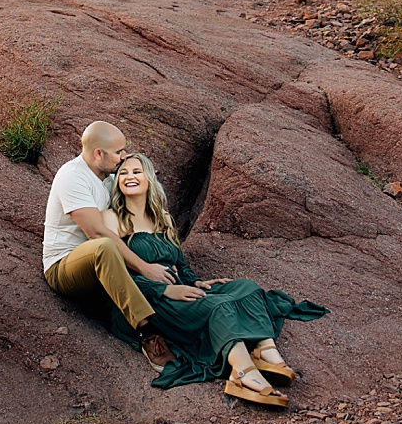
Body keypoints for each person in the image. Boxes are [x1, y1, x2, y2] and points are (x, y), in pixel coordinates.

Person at [103, 151, 327, 407]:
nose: (129, 177)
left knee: (247, 288)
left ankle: (265, 350)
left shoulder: (162, 218)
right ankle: (242, 374)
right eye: (123, 173)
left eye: (136, 171)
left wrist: (195, 282)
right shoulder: (111, 218)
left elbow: (179, 262)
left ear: (149, 178)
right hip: (147, 299)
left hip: (179, 289)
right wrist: (164, 291)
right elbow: (114, 273)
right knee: (219, 306)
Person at [42, 121, 176, 364]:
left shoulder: (108, 177)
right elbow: (96, 233)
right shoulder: (73, 176)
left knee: (125, 246)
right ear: (98, 154)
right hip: (64, 266)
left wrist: (162, 259)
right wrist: (145, 268)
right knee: (104, 246)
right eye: (118, 152)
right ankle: (148, 333)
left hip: (106, 263)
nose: (124, 157)